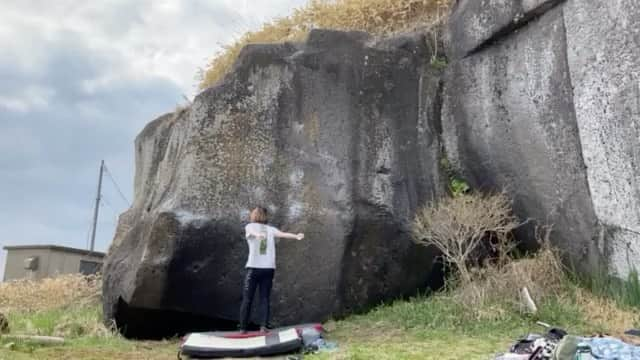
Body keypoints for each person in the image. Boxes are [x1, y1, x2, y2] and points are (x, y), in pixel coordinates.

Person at [239, 206, 304, 333]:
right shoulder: (270, 229)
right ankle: (263, 326)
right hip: (268, 269)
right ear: (265, 216)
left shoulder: (249, 226)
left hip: (254, 268)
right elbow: (283, 234)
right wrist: (296, 236)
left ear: (253, 215)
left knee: (247, 298)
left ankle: (242, 328)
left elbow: (251, 233)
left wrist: (258, 235)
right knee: (264, 298)